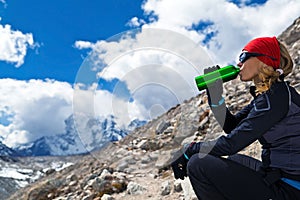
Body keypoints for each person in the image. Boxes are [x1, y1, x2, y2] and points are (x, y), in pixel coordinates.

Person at [171, 36, 300, 200]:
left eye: (243, 56)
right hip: (282, 177)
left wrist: (190, 149)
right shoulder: (274, 95)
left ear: (263, 59)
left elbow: (231, 144)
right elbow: (232, 127)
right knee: (234, 160)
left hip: (290, 190)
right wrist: (215, 97)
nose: (239, 63)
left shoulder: (274, 99)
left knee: (198, 164)